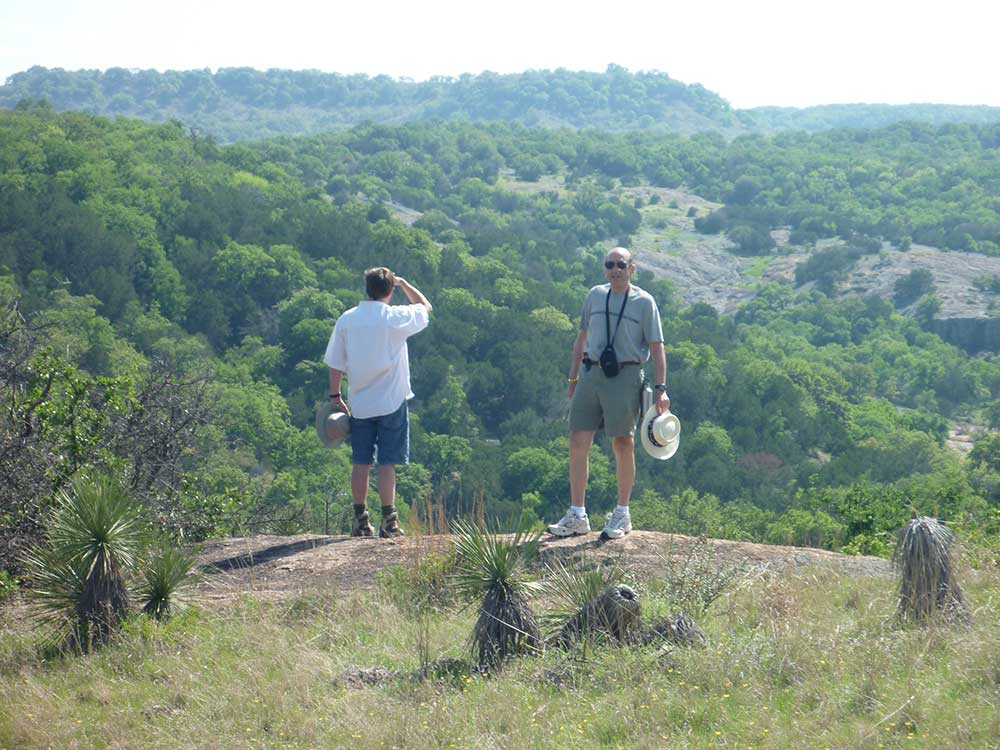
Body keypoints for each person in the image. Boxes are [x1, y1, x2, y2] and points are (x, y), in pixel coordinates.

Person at [547, 247, 670, 540]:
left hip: (625, 374)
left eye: (621, 264)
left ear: (632, 268)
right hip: (591, 373)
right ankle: (577, 514)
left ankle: (622, 513)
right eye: (610, 264)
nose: (615, 269)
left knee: (622, 442)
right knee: (578, 439)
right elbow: (582, 337)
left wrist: (661, 389)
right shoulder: (595, 295)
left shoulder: (645, 302)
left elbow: (657, 347)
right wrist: (573, 377)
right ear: (605, 268)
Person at [324, 267, 432, 537]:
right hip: (392, 401)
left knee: (360, 463)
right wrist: (405, 283)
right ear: (390, 289)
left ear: (367, 288)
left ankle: (361, 520)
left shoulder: (347, 319)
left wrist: (335, 396)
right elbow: (425, 307)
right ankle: (390, 521)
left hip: (359, 403)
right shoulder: (395, 318)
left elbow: (335, 362)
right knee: (387, 463)